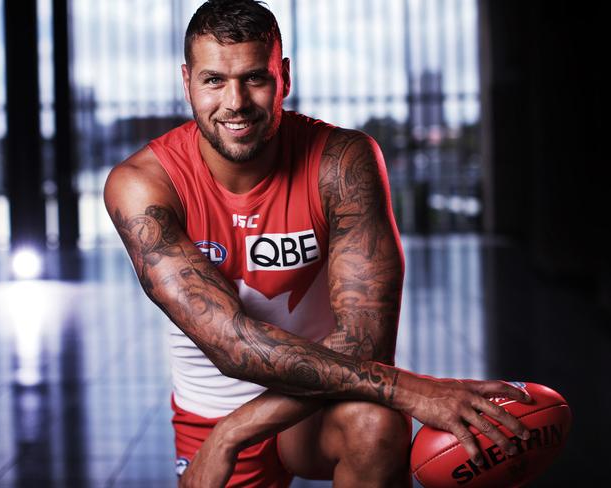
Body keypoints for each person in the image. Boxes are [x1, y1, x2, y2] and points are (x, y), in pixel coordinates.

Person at [104, 0, 532, 486]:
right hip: (212, 408)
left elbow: (367, 339)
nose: (236, 101)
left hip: (314, 406)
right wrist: (411, 388)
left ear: (283, 76)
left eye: (255, 78)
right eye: (213, 81)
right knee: (390, 399)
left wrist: (234, 431)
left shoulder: (342, 162)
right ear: (187, 83)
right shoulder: (144, 184)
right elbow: (231, 345)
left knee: (377, 423)